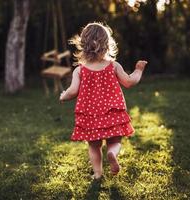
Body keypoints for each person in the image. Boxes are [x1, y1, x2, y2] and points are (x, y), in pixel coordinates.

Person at [59, 22, 147, 179]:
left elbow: (73, 91)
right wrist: (138, 70)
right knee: (115, 141)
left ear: (83, 45)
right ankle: (112, 153)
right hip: (112, 113)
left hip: (91, 116)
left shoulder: (80, 70)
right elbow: (129, 82)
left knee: (94, 146)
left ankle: (98, 173)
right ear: (107, 44)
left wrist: (63, 96)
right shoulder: (113, 66)